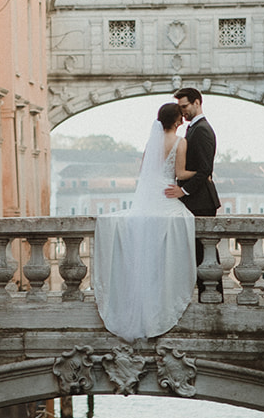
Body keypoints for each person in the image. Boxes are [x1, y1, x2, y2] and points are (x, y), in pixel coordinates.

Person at [92, 102, 197, 341]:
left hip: (150, 193)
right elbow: (180, 174)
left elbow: (145, 172)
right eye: (181, 117)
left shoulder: (152, 142)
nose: (183, 120)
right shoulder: (181, 142)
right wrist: (202, 173)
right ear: (177, 121)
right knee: (182, 220)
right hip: (166, 192)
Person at [168, 88, 221, 280]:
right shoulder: (195, 128)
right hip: (197, 199)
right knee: (199, 253)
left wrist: (183, 190)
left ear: (197, 102)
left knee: (204, 253)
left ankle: (213, 295)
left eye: (185, 107)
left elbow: (205, 169)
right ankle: (208, 294)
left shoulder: (203, 130)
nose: (182, 112)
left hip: (202, 200)